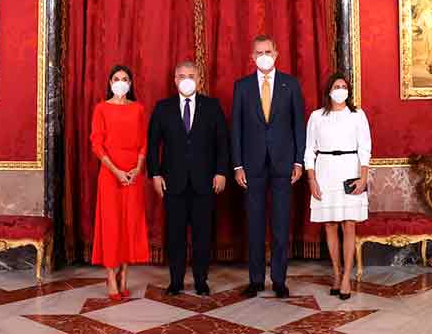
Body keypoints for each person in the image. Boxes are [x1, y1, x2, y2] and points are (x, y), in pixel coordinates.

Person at [231, 35, 305, 298]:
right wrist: (237, 165)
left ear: (277, 54)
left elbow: (299, 125)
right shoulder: (241, 87)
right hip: (251, 165)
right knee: (254, 224)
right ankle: (255, 280)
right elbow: (236, 129)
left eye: (268, 51)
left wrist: (299, 161)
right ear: (252, 56)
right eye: (259, 52)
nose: (264, 55)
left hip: (284, 163)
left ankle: (279, 280)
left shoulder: (291, 85)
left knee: (281, 224)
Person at [148, 61, 229, 296]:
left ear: (199, 78)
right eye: (181, 76)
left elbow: (222, 142)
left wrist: (221, 172)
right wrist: (155, 174)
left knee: (203, 234)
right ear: (174, 80)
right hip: (173, 182)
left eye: (190, 75)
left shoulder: (212, 106)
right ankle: (175, 281)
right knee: (175, 234)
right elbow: (153, 144)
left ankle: (201, 280)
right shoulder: (163, 108)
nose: (186, 79)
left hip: (205, 182)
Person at [304, 73, 371, 300]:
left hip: (350, 171)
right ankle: (335, 273)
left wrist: (363, 178)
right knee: (330, 224)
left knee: (349, 224)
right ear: (329, 90)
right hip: (325, 172)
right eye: (336, 86)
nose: (341, 89)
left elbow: (365, 149)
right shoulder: (316, 117)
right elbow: (308, 151)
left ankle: (346, 279)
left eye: (344, 86)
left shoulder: (357, 115)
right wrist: (312, 179)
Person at [91, 65, 150, 301]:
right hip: (110, 173)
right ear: (109, 82)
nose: (121, 82)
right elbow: (97, 144)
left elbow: (144, 141)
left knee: (129, 224)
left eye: (125, 79)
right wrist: (116, 171)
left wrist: (137, 168)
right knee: (111, 224)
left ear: (131, 83)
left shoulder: (138, 109)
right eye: (117, 78)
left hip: (134, 173)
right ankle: (110, 276)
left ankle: (124, 275)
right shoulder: (101, 109)